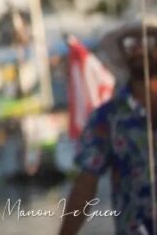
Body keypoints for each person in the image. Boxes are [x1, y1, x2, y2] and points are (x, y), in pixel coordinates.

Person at [60, 16, 157, 235]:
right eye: (131, 44)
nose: (140, 50)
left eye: (149, 41)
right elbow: (85, 184)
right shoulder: (107, 118)